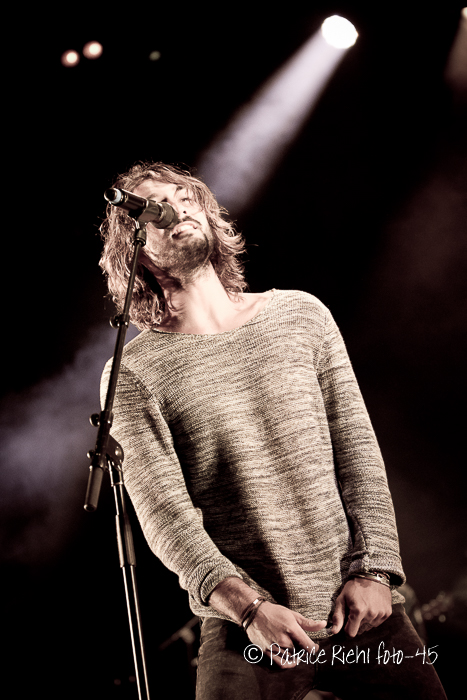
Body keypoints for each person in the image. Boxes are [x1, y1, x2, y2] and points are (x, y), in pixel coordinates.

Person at [99, 161, 447, 699]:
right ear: (135, 248)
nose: (176, 208)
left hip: (358, 606)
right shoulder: (133, 373)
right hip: (247, 626)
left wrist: (376, 571)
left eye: (184, 197)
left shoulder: (300, 315)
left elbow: (357, 451)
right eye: (155, 207)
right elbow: (167, 517)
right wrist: (249, 608)